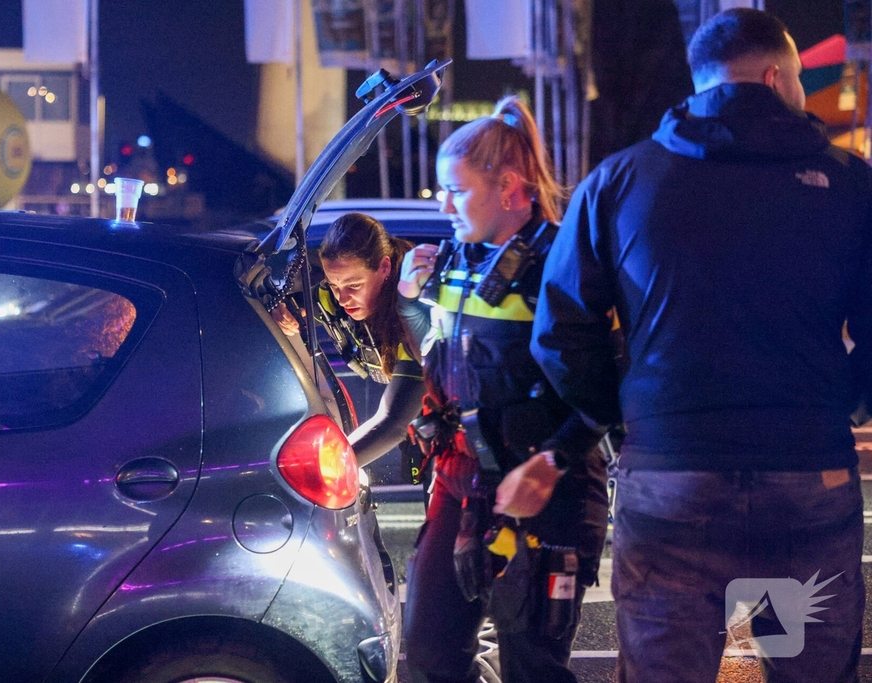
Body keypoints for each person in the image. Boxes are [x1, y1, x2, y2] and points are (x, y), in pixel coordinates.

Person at [518, 8, 872, 683]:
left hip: (673, 483)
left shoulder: (620, 181)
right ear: (776, 78)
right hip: (804, 481)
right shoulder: (851, 183)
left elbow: (560, 332)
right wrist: (848, 402)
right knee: (803, 667)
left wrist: (632, 413)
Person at [397, 95, 608, 683]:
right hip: (463, 485)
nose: (443, 205)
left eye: (456, 190)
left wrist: (551, 462)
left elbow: (607, 390)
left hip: (548, 493)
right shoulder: (455, 259)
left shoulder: (563, 264)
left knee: (532, 668)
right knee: (430, 654)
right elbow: (438, 355)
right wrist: (412, 300)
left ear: (510, 187)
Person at [274, 212, 425, 468]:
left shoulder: (414, 314)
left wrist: (327, 468)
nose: (343, 299)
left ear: (384, 268)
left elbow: (394, 422)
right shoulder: (332, 298)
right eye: (334, 285)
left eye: (354, 286)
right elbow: (299, 304)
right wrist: (282, 311)